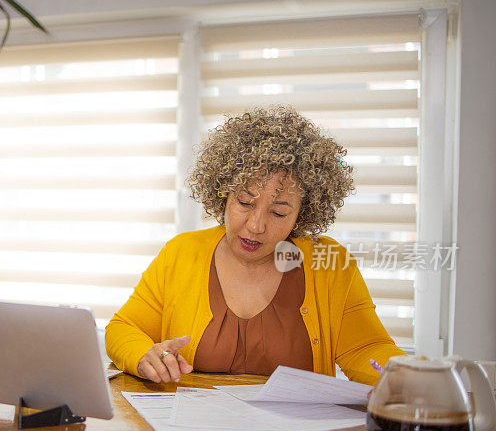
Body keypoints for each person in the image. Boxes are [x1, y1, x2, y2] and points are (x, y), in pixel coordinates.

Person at [105, 106, 405, 386]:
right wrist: (144, 356)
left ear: (304, 213)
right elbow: (123, 328)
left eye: (278, 212)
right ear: (222, 193)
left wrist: (410, 380)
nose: (256, 225)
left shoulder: (329, 263)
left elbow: (368, 349)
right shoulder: (181, 253)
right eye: (245, 202)